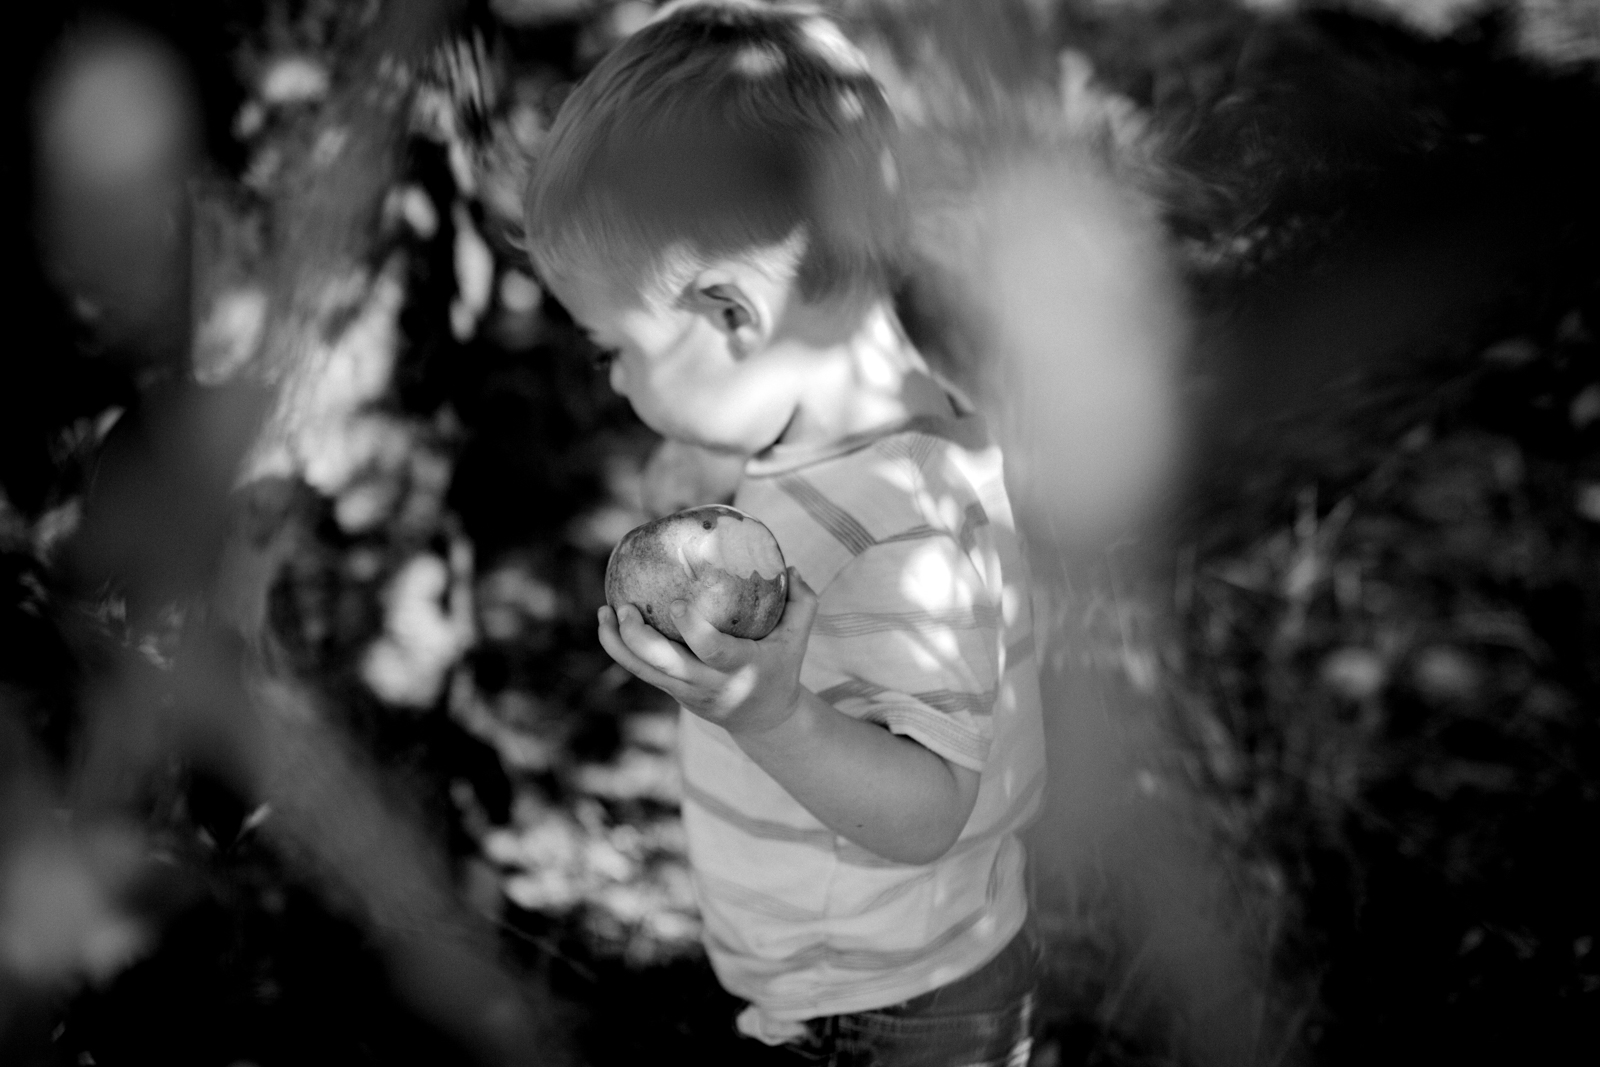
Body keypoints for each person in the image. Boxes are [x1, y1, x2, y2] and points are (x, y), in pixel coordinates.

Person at [522, 2, 1047, 1061]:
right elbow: (804, 509)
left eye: (611, 350)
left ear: (730, 317)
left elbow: (926, 809)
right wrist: (720, 476)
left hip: (895, 1008)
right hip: (854, 979)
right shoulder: (851, 442)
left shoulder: (908, 532)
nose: (615, 382)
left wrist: (772, 717)